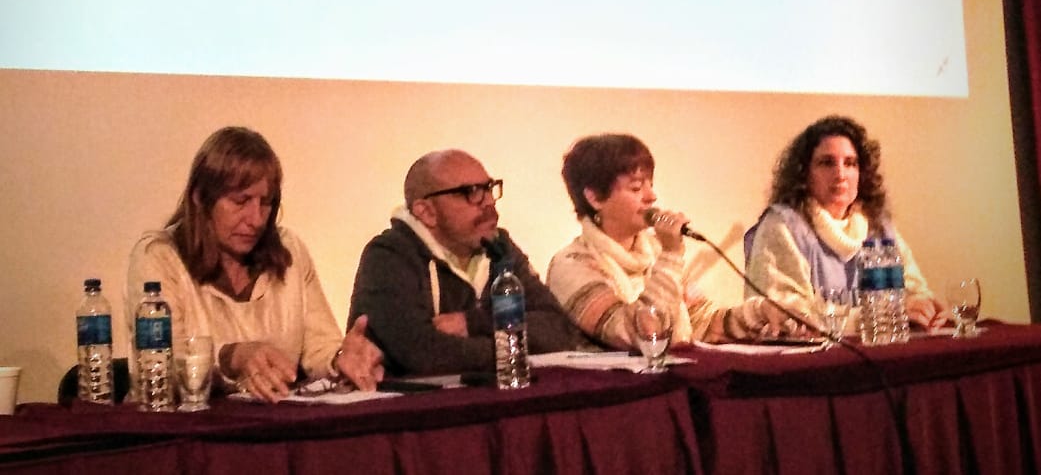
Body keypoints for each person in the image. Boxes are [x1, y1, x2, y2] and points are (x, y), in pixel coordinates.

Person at [126, 126, 384, 402]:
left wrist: (341, 358)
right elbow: (160, 366)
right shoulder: (159, 256)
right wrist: (230, 357)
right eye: (241, 201)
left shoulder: (289, 252)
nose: (256, 219)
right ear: (201, 198)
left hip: (274, 419)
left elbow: (318, 346)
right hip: (182, 422)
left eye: (266, 203)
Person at [348, 149, 584, 375]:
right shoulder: (389, 255)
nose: (489, 201)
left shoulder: (500, 247)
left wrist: (472, 323)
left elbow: (558, 330)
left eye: (489, 188)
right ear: (426, 212)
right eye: (471, 191)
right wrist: (512, 348)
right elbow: (421, 353)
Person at [546, 133, 793, 347]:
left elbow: (702, 322)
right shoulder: (572, 265)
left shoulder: (655, 251)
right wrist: (671, 256)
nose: (651, 196)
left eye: (650, 185)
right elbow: (643, 334)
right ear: (595, 198)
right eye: (636, 188)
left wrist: (759, 313)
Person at [744, 115, 945, 329]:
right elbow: (788, 316)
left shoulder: (878, 227)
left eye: (850, 163)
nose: (840, 174)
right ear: (804, 173)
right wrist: (873, 318)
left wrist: (925, 308)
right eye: (826, 163)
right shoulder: (782, 226)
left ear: (861, 173)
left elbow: (914, 292)